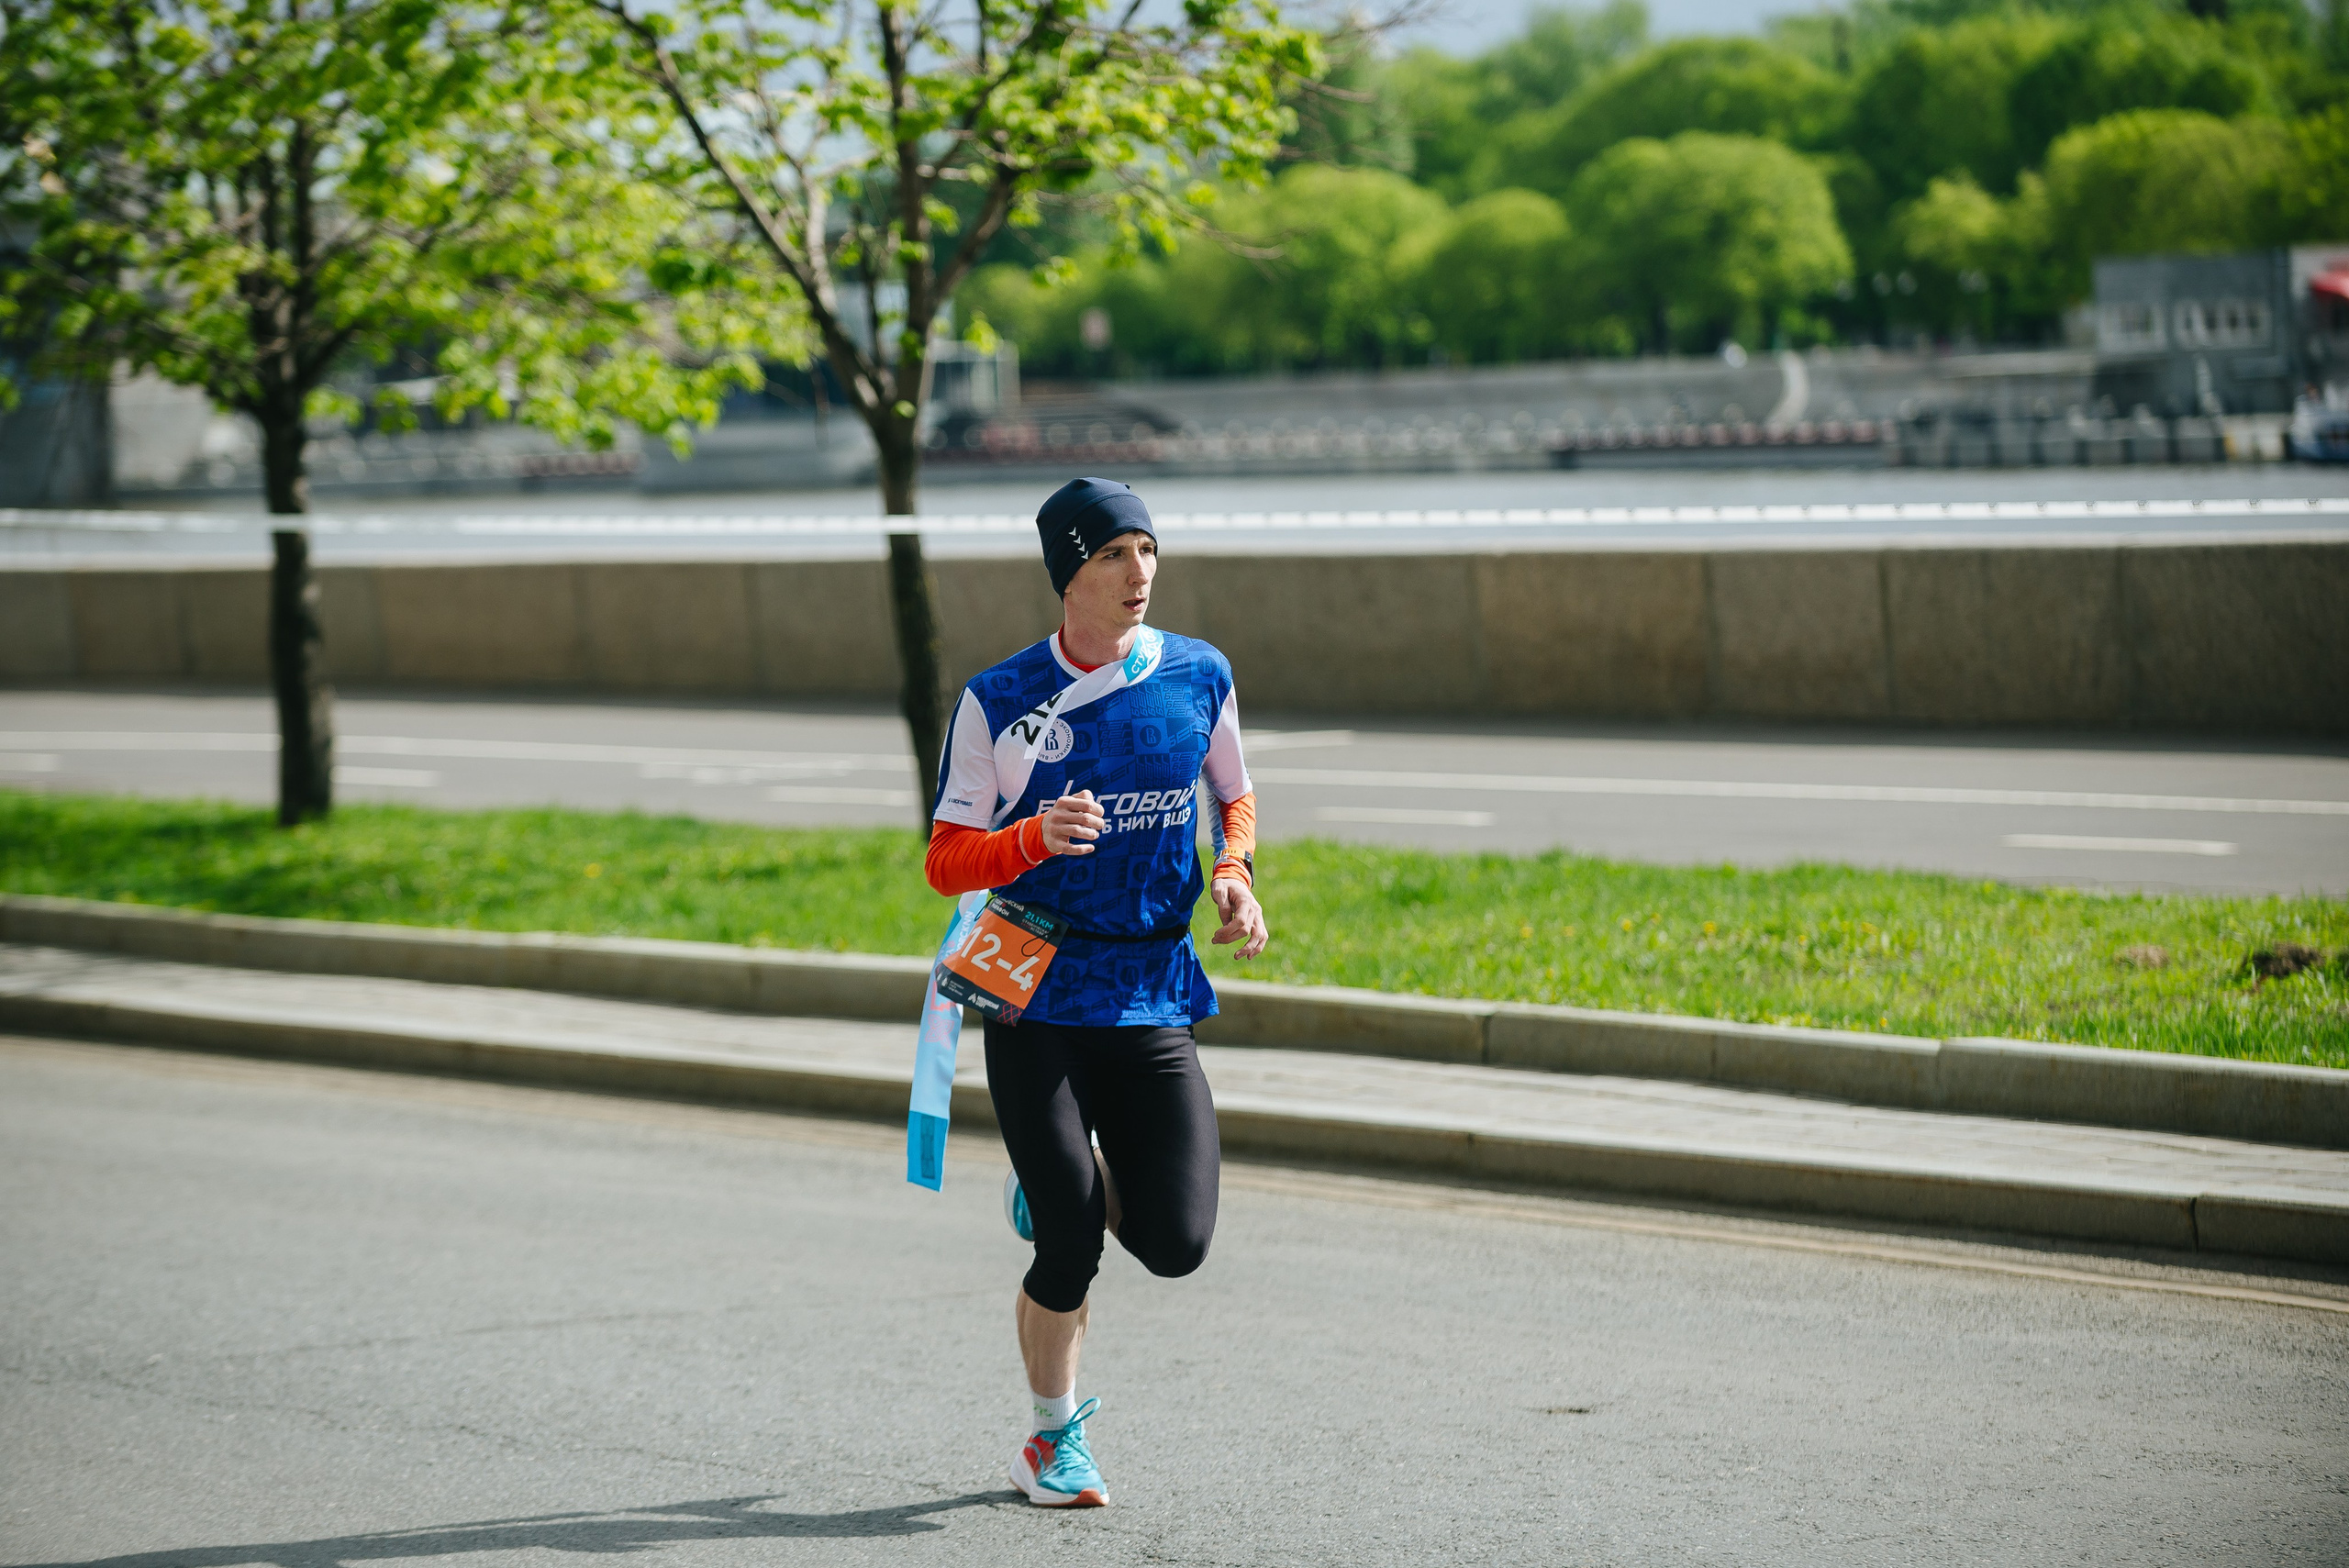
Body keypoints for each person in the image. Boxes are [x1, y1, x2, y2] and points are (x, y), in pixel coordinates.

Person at [924, 476, 1268, 1509]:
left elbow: (1233, 793)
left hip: (1154, 989)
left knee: (1175, 1241)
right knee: (1071, 1242)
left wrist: (1234, 871)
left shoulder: (1198, 674)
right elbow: (946, 859)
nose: (1140, 573)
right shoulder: (1001, 698)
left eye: (1148, 551)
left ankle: (1054, 1182)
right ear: (1067, 571)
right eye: (1115, 554)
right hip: (1037, 996)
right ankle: (1051, 1437)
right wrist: (1031, 836)